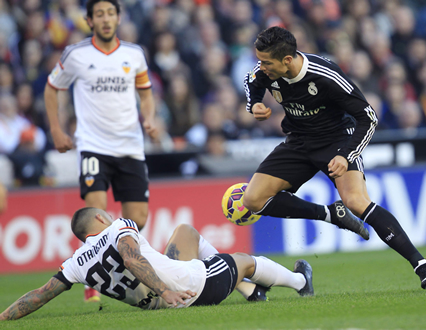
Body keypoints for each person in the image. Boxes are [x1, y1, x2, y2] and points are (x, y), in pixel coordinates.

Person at [242, 26, 426, 290]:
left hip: (336, 141)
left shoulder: (325, 76)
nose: (261, 66)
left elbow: (368, 117)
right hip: (298, 142)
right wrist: (254, 104)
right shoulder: (266, 70)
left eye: (266, 62)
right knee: (252, 200)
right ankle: (330, 214)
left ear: (287, 60)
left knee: (357, 201)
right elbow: (251, 81)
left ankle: (422, 265)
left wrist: (347, 155)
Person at [0, 207, 314, 320]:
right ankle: (301, 282)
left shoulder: (75, 264)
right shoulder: (117, 227)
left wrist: (4, 316)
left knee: (185, 232)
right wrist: (165, 290)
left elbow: (40, 294)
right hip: (189, 288)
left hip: (159, 305)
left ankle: (251, 292)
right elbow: (130, 257)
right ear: (100, 219)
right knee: (245, 261)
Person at [43, 0, 158, 301]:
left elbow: (146, 95)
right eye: (99, 14)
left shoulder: (134, 54)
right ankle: (91, 281)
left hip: (131, 147)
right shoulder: (77, 54)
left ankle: (124, 269)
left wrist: (149, 118)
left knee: (138, 218)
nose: (106, 19)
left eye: (110, 13)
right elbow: (52, 87)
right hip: (93, 146)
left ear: (118, 18)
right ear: (89, 20)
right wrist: (56, 129)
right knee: (98, 217)